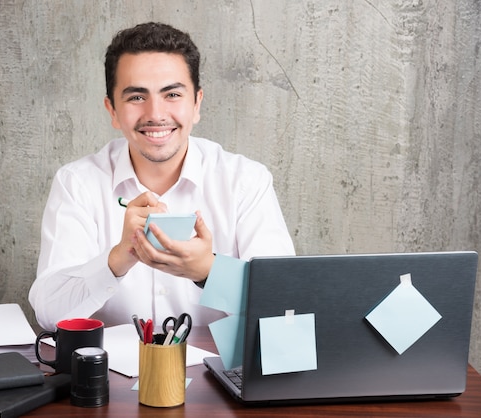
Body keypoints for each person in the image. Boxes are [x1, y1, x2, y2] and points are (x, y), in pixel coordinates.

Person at [29, 22, 295, 331]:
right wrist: (117, 260)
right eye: (136, 97)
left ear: (196, 104)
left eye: (172, 94)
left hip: (219, 372)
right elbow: (49, 315)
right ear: (112, 110)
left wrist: (208, 271)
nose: (155, 114)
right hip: (109, 375)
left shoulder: (246, 181)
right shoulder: (77, 183)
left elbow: (286, 306)